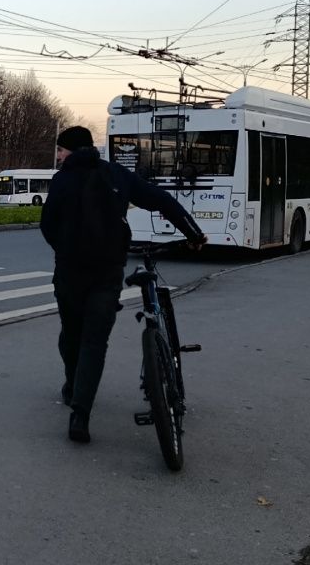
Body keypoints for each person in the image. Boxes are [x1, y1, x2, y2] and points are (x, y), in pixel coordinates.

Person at [41, 126, 205, 444]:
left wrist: (65, 252)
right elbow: (161, 200)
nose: (59, 156)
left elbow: (48, 225)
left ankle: (72, 386)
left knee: (71, 336)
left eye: (61, 150)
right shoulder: (117, 174)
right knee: (94, 342)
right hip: (108, 273)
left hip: (70, 274)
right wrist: (193, 232)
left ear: (72, 151)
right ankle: (80, 415)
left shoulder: (61, 180)